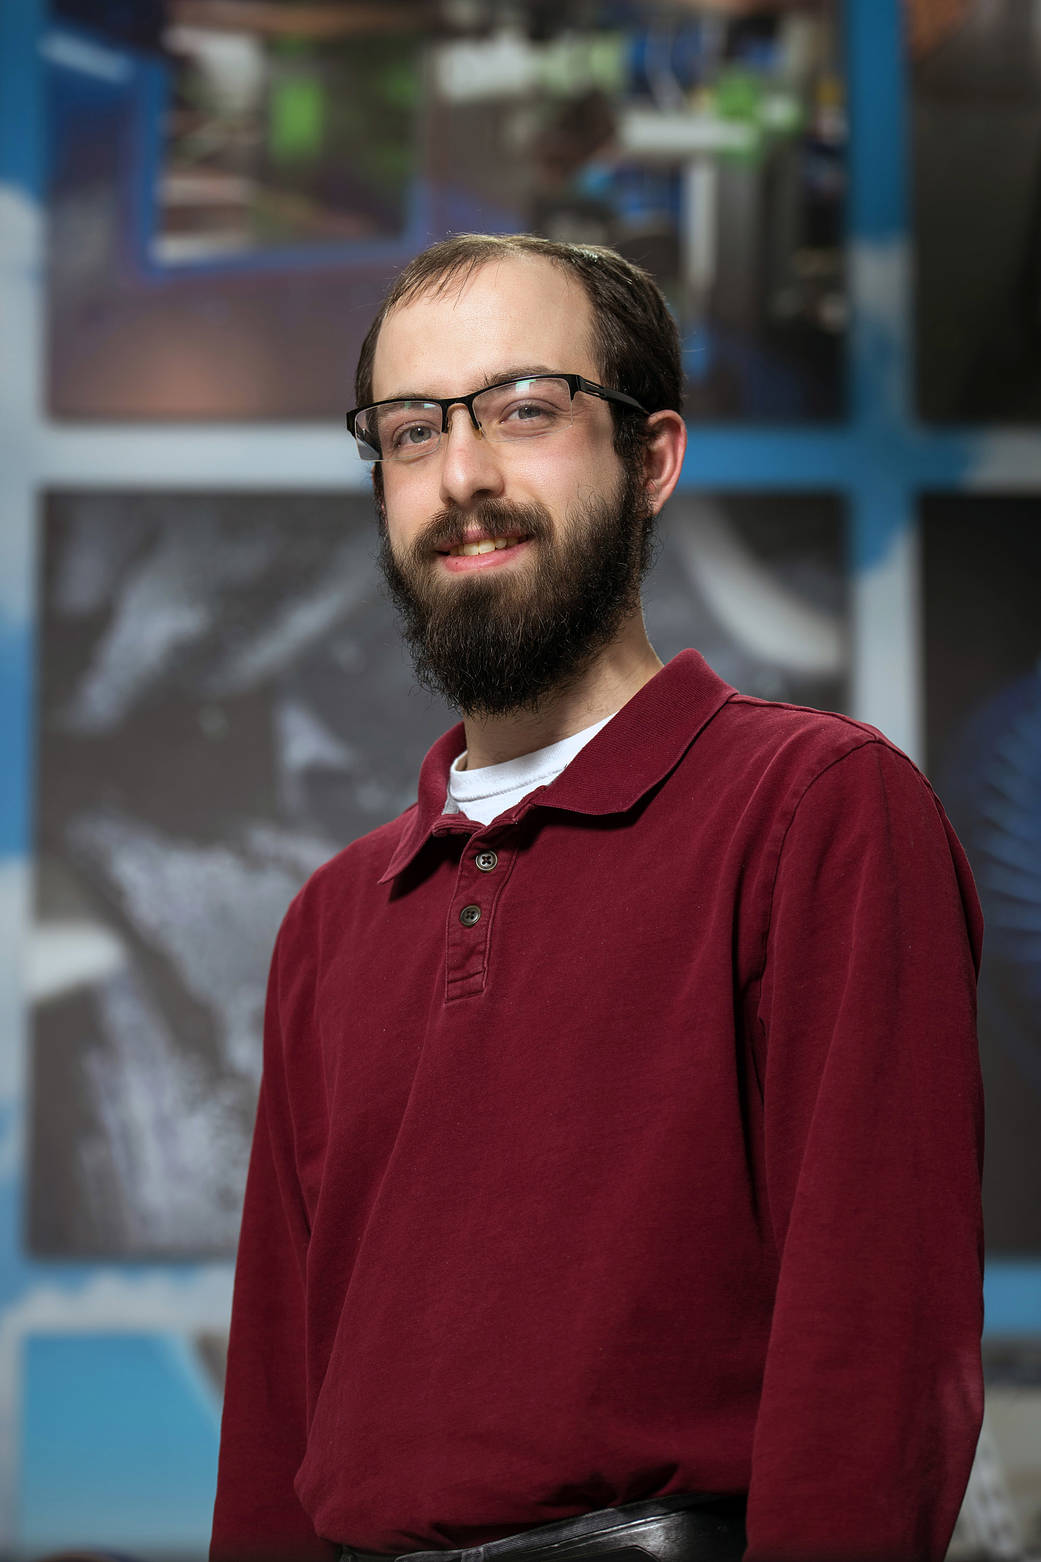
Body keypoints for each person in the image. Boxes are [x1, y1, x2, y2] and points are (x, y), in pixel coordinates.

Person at [210, 234, 984, 1562]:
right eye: (409, 432)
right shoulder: (331, 922)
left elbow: (874, 1361)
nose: (463, 476)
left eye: (523, 410)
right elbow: (276, 1419)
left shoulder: (815, 809)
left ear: (653, 460)